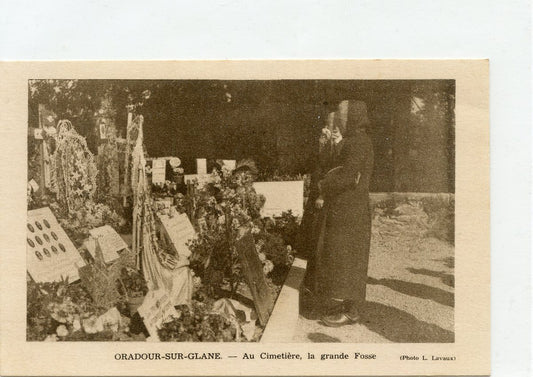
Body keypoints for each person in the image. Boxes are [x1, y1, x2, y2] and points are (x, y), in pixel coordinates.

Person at [304, 100, 374, 327]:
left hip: (349, 210)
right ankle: (346, 306)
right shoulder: (353, 141)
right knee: (342, 257)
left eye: (343, 115)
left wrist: (324, 184)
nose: (340, 119)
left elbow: (348, 177)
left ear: (353, 117)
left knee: (348, 258)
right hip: (345, 208)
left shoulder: (358, 143)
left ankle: (351, 310)